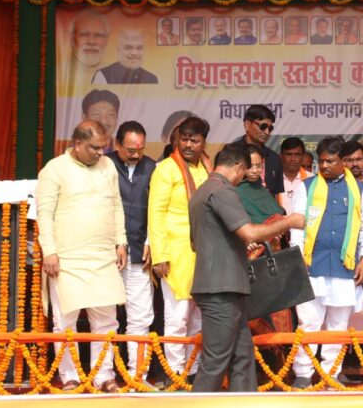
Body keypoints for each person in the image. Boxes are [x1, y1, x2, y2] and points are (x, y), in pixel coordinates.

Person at [190, 144, 305, 392]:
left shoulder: (202, 191)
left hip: (224, 285)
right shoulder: (223, 191)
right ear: (239, 167)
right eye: (245, 171)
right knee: (216, 360)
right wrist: (289, 222)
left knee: (242, 355)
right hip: (221, 287)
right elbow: (250, 232)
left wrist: (237, 241)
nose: (244, 178)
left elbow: (195, 243)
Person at [37, 121, 127, 392]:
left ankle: (104, 376)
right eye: (94, 148)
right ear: (77, 144)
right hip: (66, 258)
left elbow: (116, 205)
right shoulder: (54, 169)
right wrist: (49, 251)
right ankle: (70, 376)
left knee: (106, 321)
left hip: (102, 256)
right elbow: (44, 214)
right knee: (65, 321)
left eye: (103, 147)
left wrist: (120, 241)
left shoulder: (108, 166)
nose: (101, 153)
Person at [289, 137, 363, 387]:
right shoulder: (306, 187)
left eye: (330, 161)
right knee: (309, 323)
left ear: (343, 161)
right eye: (321, 161)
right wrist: (298, 258)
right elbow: (297, 226)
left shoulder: (359, 190)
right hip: (311, 266)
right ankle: (303, 374)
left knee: (338, 325)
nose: (324, 166)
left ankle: (331, 374)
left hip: (344, 267)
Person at [148, 116, 210, 384]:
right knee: (177, 317)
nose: (187, 145)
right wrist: (160, 254)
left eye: (194, 140)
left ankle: (192, 371)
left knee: (198, 318)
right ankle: (175, 373)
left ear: (203, 142)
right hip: (175, 256)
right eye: (184, 139)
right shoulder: (166, 169)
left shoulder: (207, 167)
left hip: (203, 256)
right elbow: (156, 213)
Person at [106, 121, 156, 384]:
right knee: (104, 318)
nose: (136, 155)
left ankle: (138, 376)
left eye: (140, 149)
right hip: (106, 255)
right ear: (117, 145)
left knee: (140, 317)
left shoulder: (153, 168)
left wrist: (151, 241)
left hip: (139, 254)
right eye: (130, 150)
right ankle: (103, 376)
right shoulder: (103, 165)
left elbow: (158, 210)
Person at [234, 105, 284, 199]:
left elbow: (276, 196)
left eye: (270, 128)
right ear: (247, 125)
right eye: (263, 126)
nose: (267, 132)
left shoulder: (274, 158)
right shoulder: (231, 153)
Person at [235, 145, 286, 224]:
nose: (255, 170)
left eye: (258, 166)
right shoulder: (236, 190)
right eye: (250, 166)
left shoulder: (260, 187)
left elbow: (279, 211)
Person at [93, 29, 158, 84]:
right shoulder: (104, 75)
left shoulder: (152, 79)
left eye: (139, 48)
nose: (134, 53)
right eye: (129, 48)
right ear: (119, 50)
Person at [279, 137, 309, 213]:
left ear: (303, 156)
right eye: (288, 154)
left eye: (297, 154)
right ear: (281, 156)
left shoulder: (311, 179)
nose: (293, 159)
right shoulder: (273, 178)